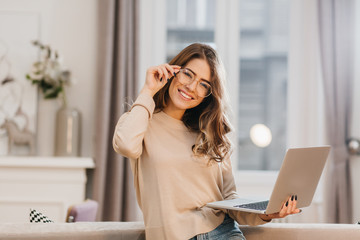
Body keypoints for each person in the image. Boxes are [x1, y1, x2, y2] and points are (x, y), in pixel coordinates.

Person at [113, 43, 300, 240]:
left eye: (203, 84)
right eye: (188, 74)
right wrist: (148, 90)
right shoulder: (141, 119)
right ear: (173, 71)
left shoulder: (212, 132)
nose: (191, 87)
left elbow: (229, 200)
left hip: (223, 232)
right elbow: (125, 145)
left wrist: (268, 213)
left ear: (208, 95)